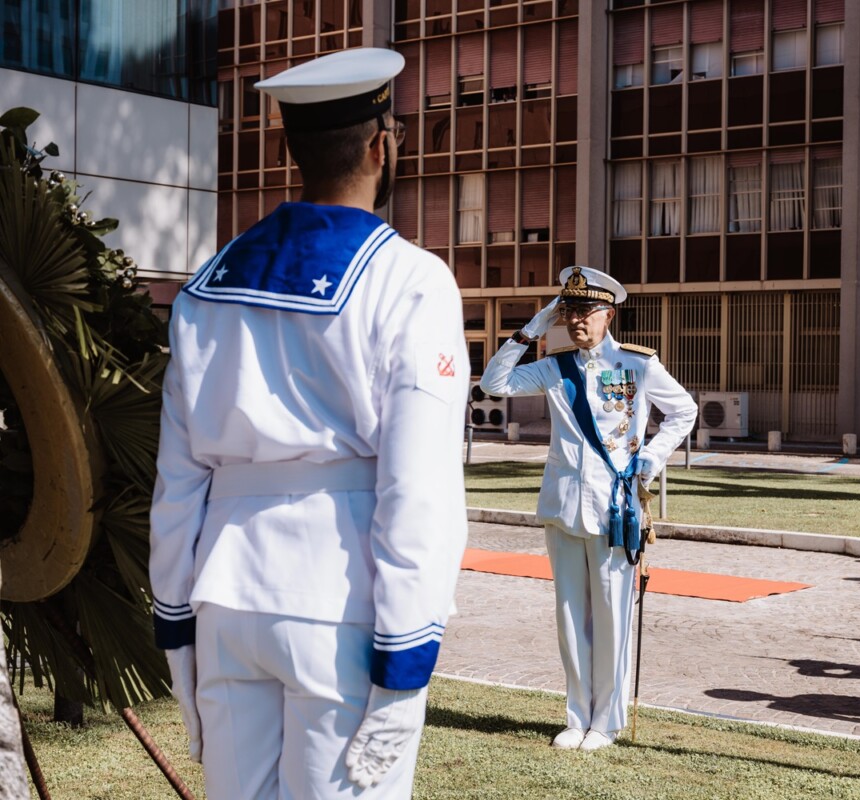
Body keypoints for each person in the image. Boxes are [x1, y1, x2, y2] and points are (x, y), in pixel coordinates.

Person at [149, 49, 469, 798]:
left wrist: (177, 638)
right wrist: (406, 660)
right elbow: (417, 490)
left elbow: (175, 483)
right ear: (380, 144)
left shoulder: (208, 284)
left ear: (288, 148)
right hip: (340, 604)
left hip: (224, 596)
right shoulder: (411, 281)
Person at [480, 267, 697, 752]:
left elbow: (684, 409)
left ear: (608, 315)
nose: (576, 321)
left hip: (613, 509)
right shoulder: (555, 366)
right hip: (563, 506)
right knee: (569, 616)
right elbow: (496, 384)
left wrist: (651, 460)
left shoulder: (637, 365)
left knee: (612, 616)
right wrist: (531, 329)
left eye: (586, 311)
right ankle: (576, 716)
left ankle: (607, 721)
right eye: (569, 311)